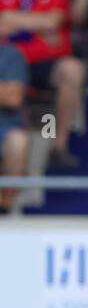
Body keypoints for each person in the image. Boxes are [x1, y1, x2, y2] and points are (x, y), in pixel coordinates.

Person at [0, 0, 85, 167]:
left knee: (73, 69)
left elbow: (53, 22)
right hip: (8, 67)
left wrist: (10, 21)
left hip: (44, 66)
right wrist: (40, 27)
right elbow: (44, 24)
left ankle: (58, 147)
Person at [0, 41, 27, 213]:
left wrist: (8, 93)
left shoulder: (11, 55)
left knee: (18, 141)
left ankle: (5, 206)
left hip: (5, 127)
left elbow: (14, 98)